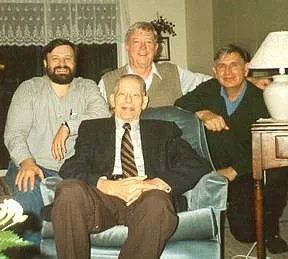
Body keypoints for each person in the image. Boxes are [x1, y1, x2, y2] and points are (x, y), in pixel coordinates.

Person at [51, 74, 212, 259]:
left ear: (144, 102)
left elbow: (197, 164)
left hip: (147, 198)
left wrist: (154, 184)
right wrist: (104, 184)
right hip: (104, 199)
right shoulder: (93, 128)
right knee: (69, 190)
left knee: (158, 202)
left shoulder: (164, 129)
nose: (128, 100)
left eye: (135, 95)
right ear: (112, 99)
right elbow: (71, 166)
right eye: (122, 94)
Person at [175, 44, 288, 254]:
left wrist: (235, 170)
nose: (227, 72)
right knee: (245, 234)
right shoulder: (208, 89)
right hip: (217, 169)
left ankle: (270, 230)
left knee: (279, 172)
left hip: (248, 167)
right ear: (214, 71)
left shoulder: (262, 97)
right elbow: (179, 105)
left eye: (234, 65)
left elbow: (270, 144)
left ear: (246, 69)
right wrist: (203, 113)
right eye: (222, 66)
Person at [4, 38, 110, 245]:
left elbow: (102, 115)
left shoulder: (87, 87)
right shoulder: (29, 88)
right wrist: (26, 162)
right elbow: (14, 133)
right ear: (45, 63)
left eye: (68, 58)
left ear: (75, 63)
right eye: (56, 58)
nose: (62, 63)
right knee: (27, 186)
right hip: (34, 164)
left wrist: (68, 126)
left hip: (74, 170)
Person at [98, 22, 270, 107]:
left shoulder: (173, 72)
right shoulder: (108, 81)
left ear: (156, 48)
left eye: (149, 42)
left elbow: (210, 81)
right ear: (127, 47)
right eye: (136, 42)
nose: (143, 48)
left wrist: (247, 81)